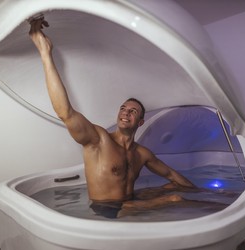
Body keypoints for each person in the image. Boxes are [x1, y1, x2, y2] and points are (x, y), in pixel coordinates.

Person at [29, 18, 196, 215]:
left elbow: (171, 174)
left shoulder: (142, 154)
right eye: (123, 108)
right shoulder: (99, 140)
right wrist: (45, 54)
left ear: (140, 122)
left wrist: (198, 191)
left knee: (173, 188)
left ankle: (219, 208)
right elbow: (65, 112)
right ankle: (212, 215)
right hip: (105, 208)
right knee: (174, 198)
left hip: (129, 201)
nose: (126, 112)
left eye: (132, 111)